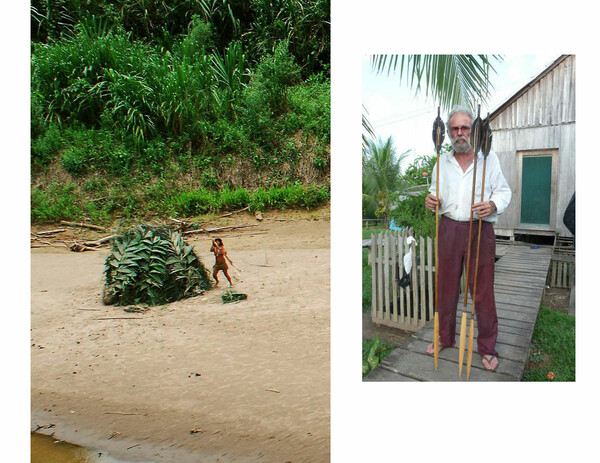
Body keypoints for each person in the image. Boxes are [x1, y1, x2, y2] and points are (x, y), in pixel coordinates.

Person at [424, 106, 512, 372]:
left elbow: (504, 192)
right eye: (454, 128)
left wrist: (493, 205)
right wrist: (431, 200)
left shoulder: (488, 159)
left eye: (465, 127)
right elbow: (433, 192)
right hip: (449, 228)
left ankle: (487, 347)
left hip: (479, 230)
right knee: (446, 287)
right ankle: (444, 337)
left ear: (473, 131)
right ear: (447, 133)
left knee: (483, 291)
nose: (460, 133)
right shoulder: (442, 161)